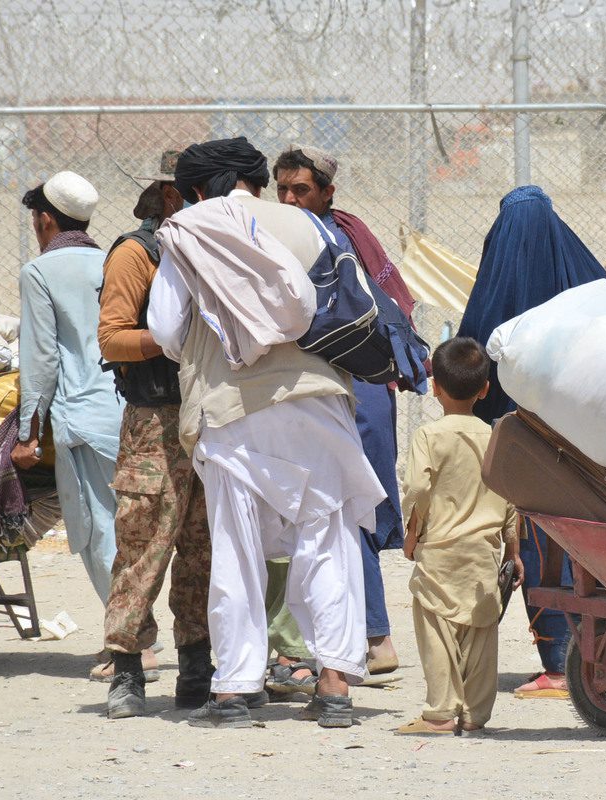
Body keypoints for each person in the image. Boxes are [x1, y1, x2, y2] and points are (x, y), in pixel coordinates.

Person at [148, 136, 386, 730]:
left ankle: (236, 688)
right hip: (320, 400)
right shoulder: (310, 225)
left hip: (233, 406)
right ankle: (334, 684)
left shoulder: (189, 230)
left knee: (237, 544)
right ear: (255, 180)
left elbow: (165, 328)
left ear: (198, 189)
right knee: (326, 534)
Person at [271, 143, 418, 682]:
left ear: (328, 193)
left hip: (353, 387)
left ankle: (370, 636)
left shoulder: (334, 239)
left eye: (300, 190)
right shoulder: (328, 233)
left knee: (348, 508)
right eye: (281, 189)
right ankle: (364, 636)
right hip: (349, 388)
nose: (288, 199)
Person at [457, 185, 606, 699]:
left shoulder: (498, 286)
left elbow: (471, 356)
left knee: (541, 544)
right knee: (590, 544)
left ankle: (561, 664)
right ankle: (597, 655)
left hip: (531, 446)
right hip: (596, 448)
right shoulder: (584, 277)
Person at [97, 151, 215, 719]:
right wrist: (170, 339)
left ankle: (196, 664)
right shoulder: (134, 253)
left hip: (205, 416)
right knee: (144, 546)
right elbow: (113, 339)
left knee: (203, 548)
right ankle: (126, 670)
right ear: (172, 196)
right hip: (154, 421)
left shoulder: (206, 246)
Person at [395, 337, 522, 735]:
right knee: (481, 630)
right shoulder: (496, 437)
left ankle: (441, 712)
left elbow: (417, 489)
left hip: (440, 548)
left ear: (435, 388)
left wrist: (412, 536)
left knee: (437, 628)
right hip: (484, 551)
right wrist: (513, 551)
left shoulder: (429, 437)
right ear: (485, 389)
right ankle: (474, 715)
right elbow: (512, 498)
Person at [12, 172, 123, 610]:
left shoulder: (39, 271)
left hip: (83, 417)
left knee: (98, 527)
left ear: (44, 221)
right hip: (132, 412)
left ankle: (133, 644)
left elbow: (41, 360)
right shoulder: (117, 260)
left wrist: (28, 435)